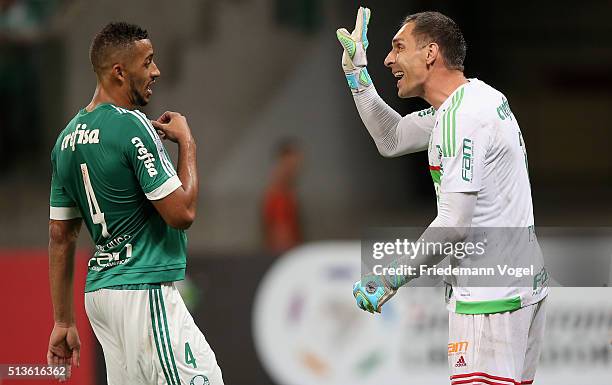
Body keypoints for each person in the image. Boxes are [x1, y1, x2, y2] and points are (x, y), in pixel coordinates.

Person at [338, 8, 548, 384]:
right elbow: (392, 137)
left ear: (431, 53)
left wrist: (390, 280)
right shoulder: (475, 100)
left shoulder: (462, 118)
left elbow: (453, 225)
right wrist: (357, 75)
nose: (388, 59)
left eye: (398, 47)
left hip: (489, 300)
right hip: (516, 288)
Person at [47, 22, 223, 385]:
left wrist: (63, 321)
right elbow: (182, 213)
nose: (156, 71)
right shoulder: (131, 126)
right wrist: (188, 144)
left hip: (101, 295)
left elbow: (60, 236)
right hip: (142, 289)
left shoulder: (65, 141)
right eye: (148, 62)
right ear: (119, 71)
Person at [262, 139, 303, 254]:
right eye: (292, 166)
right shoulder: (279, 198)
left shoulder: (287, 195)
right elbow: (281, 239)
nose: (296, 172)